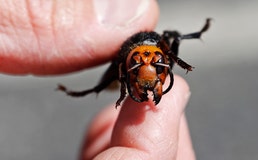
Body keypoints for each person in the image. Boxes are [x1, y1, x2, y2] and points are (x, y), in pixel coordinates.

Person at [0, 0, 195, 159]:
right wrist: (121, 92)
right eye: (137, 64)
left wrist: (174, 57)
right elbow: (121, 65)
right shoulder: (127, 61)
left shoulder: (160, 52)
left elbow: (173, 37)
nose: (147, 67)